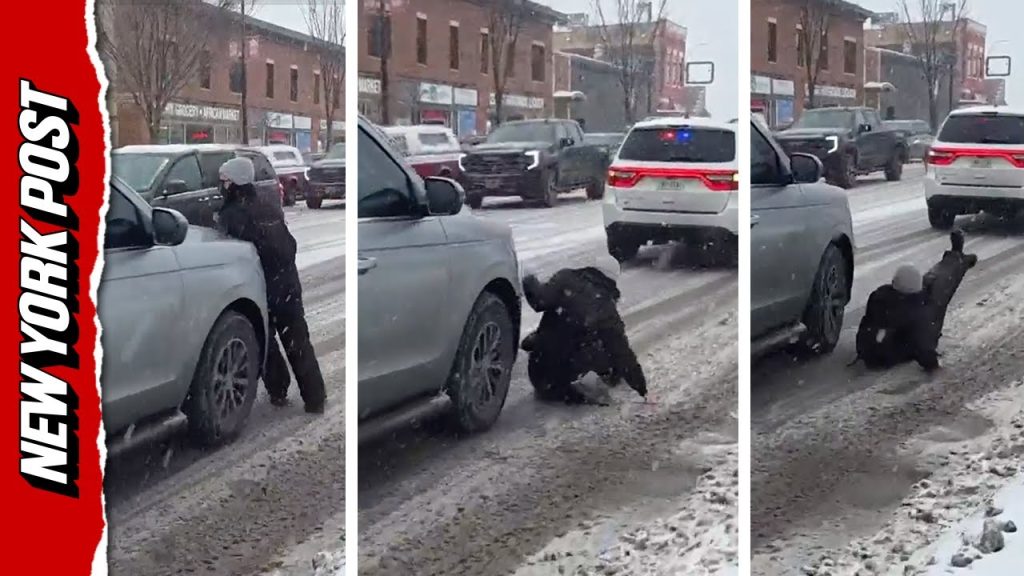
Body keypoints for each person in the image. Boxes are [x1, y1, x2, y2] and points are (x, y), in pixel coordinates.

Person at [216, 157, 326, 413]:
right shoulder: (267, 205)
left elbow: (236, 254)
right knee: (298, 340)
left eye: (224, 182)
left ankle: (278, 388)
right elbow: (290, 244)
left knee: (265, 340)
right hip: (287, 283)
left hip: (262, 286)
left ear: (234, 183)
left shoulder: (233, 214)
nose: (221, 187)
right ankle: (315, 397)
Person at [521, 254, 647, 403]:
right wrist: (641, 388)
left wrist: (529, 279)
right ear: (611, 279)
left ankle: (551, 374)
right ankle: (594, 381)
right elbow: (623, 354)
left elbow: (539, 300)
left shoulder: (565, 277)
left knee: (553, 332)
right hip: (561, 386)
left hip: (538, 375)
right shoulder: (606, 308)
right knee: (609, 347)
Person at [854, 230, 977, 372]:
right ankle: (957, 259)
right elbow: (922, 347)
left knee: (931, 285)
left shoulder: (879, 296)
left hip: (868, 351)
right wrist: (933, 366)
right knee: (937, 296)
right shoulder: (916, 313)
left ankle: (956, 259)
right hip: (888, 356)